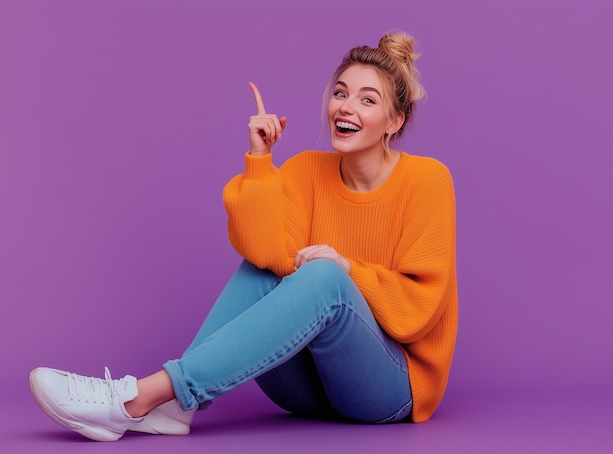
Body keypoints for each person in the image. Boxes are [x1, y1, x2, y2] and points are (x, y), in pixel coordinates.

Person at [29, 30, 458, 442]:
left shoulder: (426, 180)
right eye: (341, 93)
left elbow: (417, 311)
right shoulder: (307, 170)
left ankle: (137, 398)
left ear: (394, 120)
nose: (346, 107)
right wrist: (260, 159)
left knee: (325, 276)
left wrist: (345, 269)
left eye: (368, 100)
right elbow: (264, 253)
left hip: (386, 389)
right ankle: (177, 406)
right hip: (308, 388)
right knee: (264, 271)